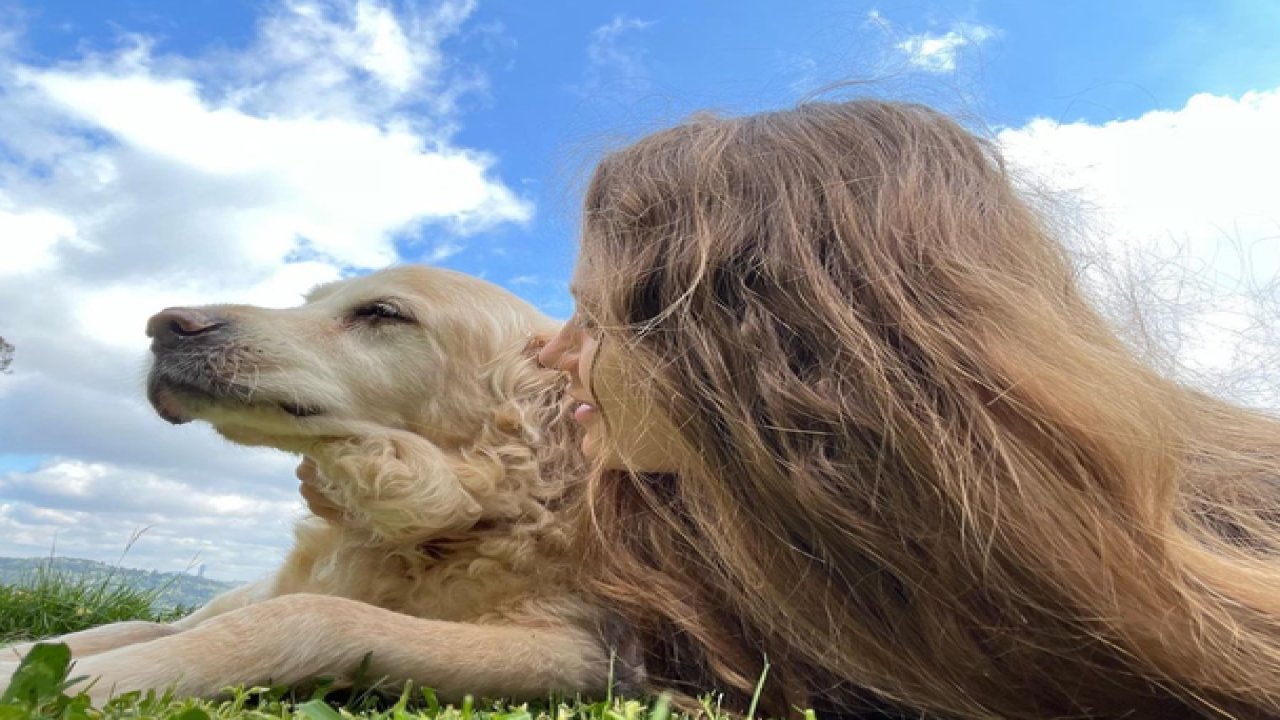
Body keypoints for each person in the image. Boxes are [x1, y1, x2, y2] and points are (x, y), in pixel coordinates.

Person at [532, 100, 1280, 719]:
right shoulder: (696, 550)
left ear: (760, 346)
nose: (551, 350)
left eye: (595, 319)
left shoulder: (1245, 526)